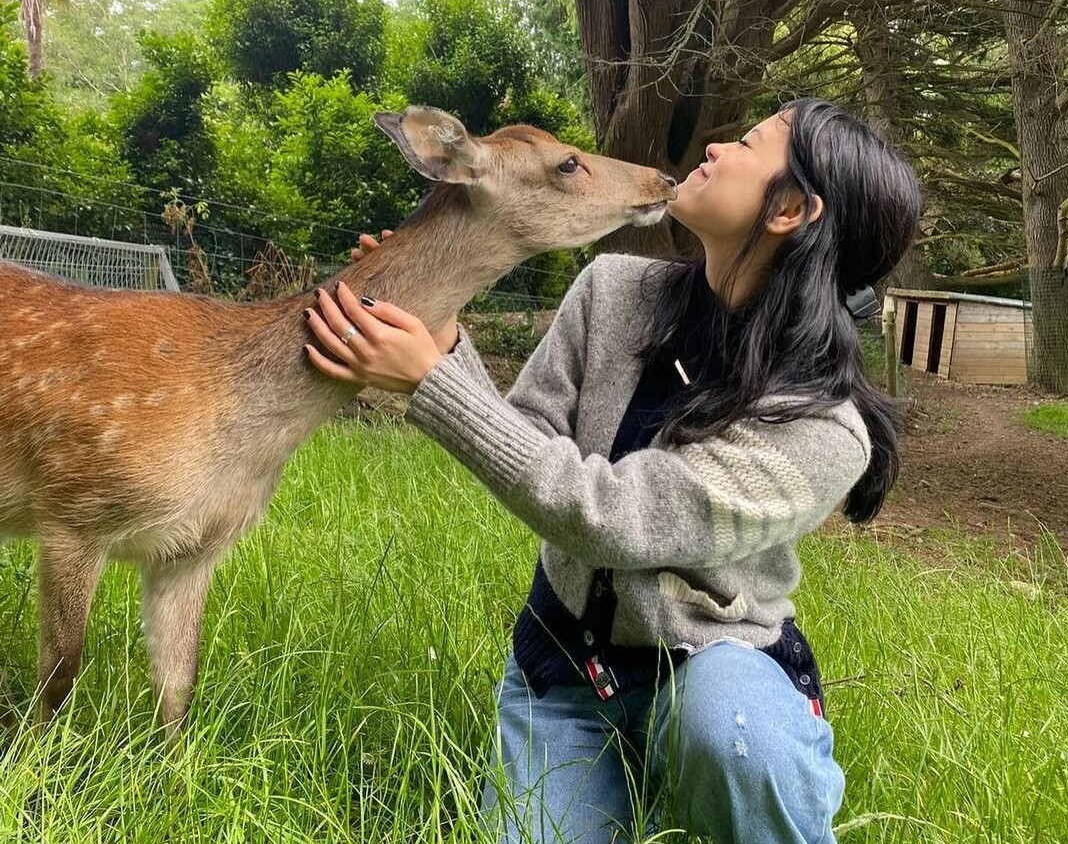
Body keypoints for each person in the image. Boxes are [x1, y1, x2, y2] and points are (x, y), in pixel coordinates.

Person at [303, 99, 922, 844]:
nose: (716, 147)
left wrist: (430, 380)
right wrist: (441, 336)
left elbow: (617, 518)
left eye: (749, 143)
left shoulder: (823, 429)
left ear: (790, 209)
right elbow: (527, 436)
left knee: (732, 733)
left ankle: (728, 775)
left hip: (712, 667)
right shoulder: (612, 290)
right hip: (568, 675)